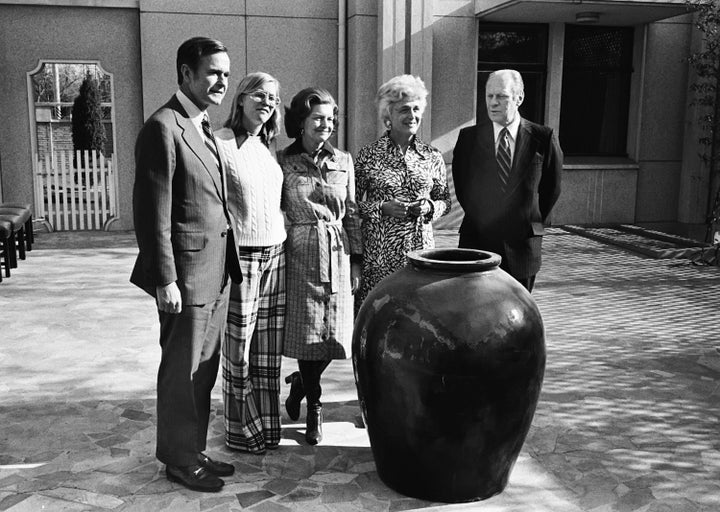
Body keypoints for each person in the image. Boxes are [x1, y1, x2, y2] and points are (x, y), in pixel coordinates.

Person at [130, 36, 242, 493]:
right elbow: (152, 211)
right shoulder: (163, 126)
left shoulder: (201, 125)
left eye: (226, 74)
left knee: (203, 370)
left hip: (216, 273)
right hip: (186, 278)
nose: (222, 81)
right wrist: (166, 279)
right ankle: (177, 458)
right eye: (213, 72)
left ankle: (192, 449)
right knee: (180, 371)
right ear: (185, 74)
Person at [277, 87, 362, 445]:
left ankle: (300, 383)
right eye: (318, 118)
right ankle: (315, 405)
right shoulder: (283, 160)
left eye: (330, 118)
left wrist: (357, 260)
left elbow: (353, 213)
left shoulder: (343, 160)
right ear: (300, 122)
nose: (326, 124)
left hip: (337, 254)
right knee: (308, 334)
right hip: (299, 254)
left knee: (334, 337)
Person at [214, 72, 286, 454]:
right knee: (239, 349)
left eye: (273, 97)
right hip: (241, 260)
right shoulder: (220, 143)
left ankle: (267, 429)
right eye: (259, 94)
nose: (267, 101)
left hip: (278, 256)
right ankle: (241, 431)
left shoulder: (267, 147)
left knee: (267, 351)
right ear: (240, 99)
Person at [452, 69, 562, 292]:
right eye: (489, 96)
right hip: (478, 246)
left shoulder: (543, 138)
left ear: (519, 98)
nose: (493, 103)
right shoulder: (468, 139)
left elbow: (552, 189)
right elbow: (463, 188)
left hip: (523, 249)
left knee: (518, 319)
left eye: (501, 96)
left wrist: (529, 221)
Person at [354, 74, 451, 309]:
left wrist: (429, 207)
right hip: (380, 255)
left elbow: (445, 201)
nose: (412, 115)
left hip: (421, 253)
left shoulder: (431, 155)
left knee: (419, 314)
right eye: (404, 110)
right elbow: (351, 205)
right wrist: (381, 208)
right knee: (379, 312)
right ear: (388, 115)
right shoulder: (369, 155)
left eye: (416, 109)